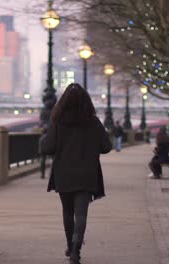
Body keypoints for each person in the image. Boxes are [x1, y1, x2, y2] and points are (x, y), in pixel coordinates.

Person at [41, 83, 112, 264]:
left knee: (67, 211)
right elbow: (106, 147)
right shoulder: (93, 122)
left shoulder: (58, 121)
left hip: (64, 172)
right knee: (81, 213)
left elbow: (48, 147)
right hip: (87, 173)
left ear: (63, 101)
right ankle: (75, 251)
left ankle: (69, 245)